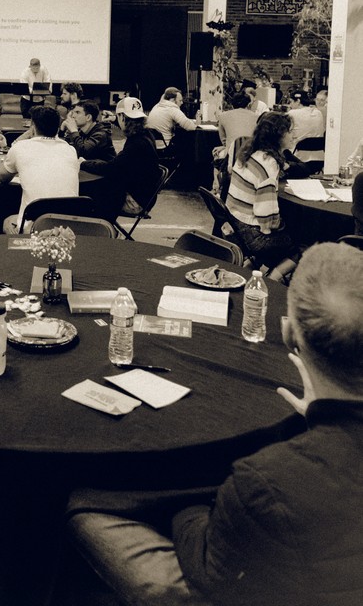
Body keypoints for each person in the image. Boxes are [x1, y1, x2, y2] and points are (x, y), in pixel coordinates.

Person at [67, 240, 363, 606]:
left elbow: (208, 565)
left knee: (84, 505)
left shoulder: (266, 479)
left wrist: (187, 499)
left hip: (232, 588)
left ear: (290, 335)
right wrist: (320, 419)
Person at [225, 111, 300, 278]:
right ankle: (272, 280)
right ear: (277, 136)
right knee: (302, 243)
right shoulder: (269, 164)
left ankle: (251, 265)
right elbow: (266, 215)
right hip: (253, 234)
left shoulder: (249, 153)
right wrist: (280, 225)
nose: (293, 135)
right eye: (289, 131)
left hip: (236, 226)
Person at [0, 105, 80, 233]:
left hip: (35, 228)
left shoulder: (20, 147)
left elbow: (2, 177)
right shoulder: (70, 150)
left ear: (33, 127)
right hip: (68, 227)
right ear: (57, 128)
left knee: (7, 221)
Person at [81, 97, 162, 222]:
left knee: (89, 196)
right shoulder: (145, 134)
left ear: (122, 117)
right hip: (145, 196)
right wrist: (114, 118)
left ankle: (103, 228)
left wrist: (84, 163)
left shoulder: (136, 144)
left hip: (135, 201)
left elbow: (111, 168)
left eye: (119, 117)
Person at [287, 90, 325, 160]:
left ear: (298, 101)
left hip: (298, 157)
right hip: (319, 156)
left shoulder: (292, 113)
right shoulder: (318, 113)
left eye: (291, 102)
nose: (290, 105)